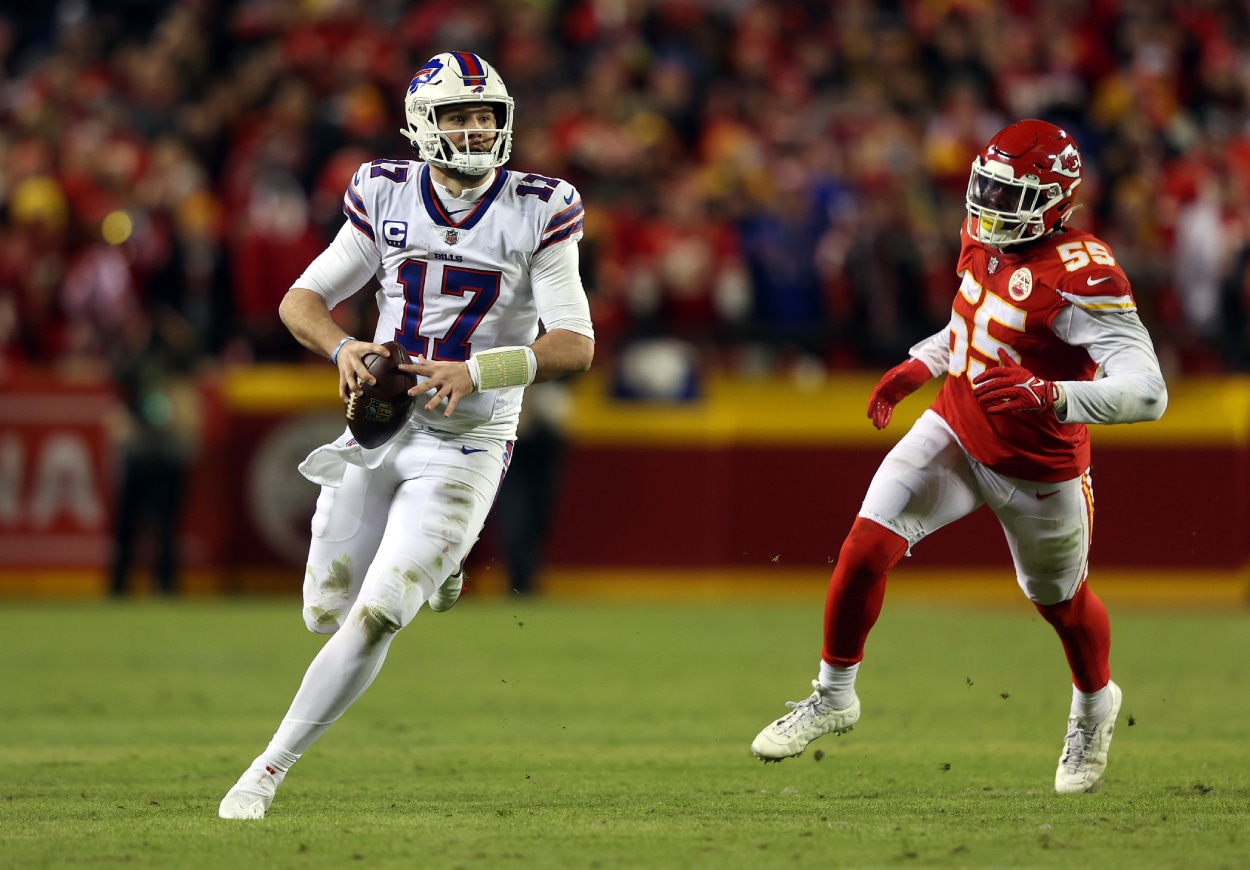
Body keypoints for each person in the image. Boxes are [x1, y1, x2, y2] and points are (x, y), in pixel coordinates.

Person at [218, 51, 595, 819]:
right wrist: (343, 347)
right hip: (379, 428)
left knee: (381, 609)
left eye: (486, 113)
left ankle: (266, 770)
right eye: (458, 115)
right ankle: (445, 561)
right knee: (322, 608)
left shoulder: (542, 205)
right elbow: (303, 300)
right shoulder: (384, 190)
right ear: (424, 125)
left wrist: (480, 371)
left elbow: (576, 343)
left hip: (469, 438)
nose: (476, 127)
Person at [749, 120, 1168, 795]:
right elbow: (972, 324)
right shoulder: (983, 239)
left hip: (1039, 468)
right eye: (989, 190)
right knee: (864, 547)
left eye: (1010, 195)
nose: (991, 208)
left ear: (1055, 200)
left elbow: (1149, 393)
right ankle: (834, 694)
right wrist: (920, 364)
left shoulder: (1085, 273)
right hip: (956, 425)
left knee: (1060, 604)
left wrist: (1052, 395)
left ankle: (1094, 704)